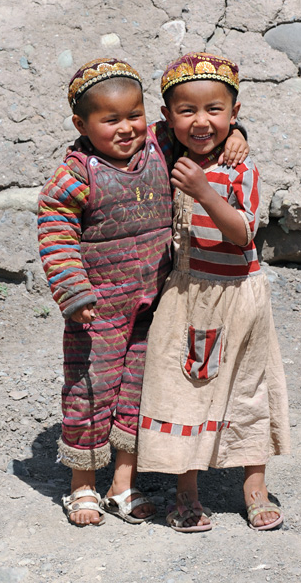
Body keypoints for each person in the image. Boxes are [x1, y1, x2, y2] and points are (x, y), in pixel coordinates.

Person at [37, 57, 249, 527]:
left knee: (139, 389)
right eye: (110, 120)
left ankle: (122, 484)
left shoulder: (159, 143)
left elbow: (203, 127)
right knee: (91, 389)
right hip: (99, 306)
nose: (127, 128)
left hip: (157, 300)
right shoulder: (76, 174)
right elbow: (55, 233)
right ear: (82, 124)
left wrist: (240, 134)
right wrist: (73, 291)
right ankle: (82, 486)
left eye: (134, 115)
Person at [137, 52, 290, 533]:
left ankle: (254, 486)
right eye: (187, 111)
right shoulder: (166, 153)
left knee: (248, 389)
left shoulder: (240, 170)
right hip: (187, 296)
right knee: (186, 389)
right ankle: (186, 492)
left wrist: (206, 192)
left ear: (235, 113)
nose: (201, 121)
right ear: (168, 117)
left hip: (238, 295)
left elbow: (242, 234)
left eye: (215, 110)